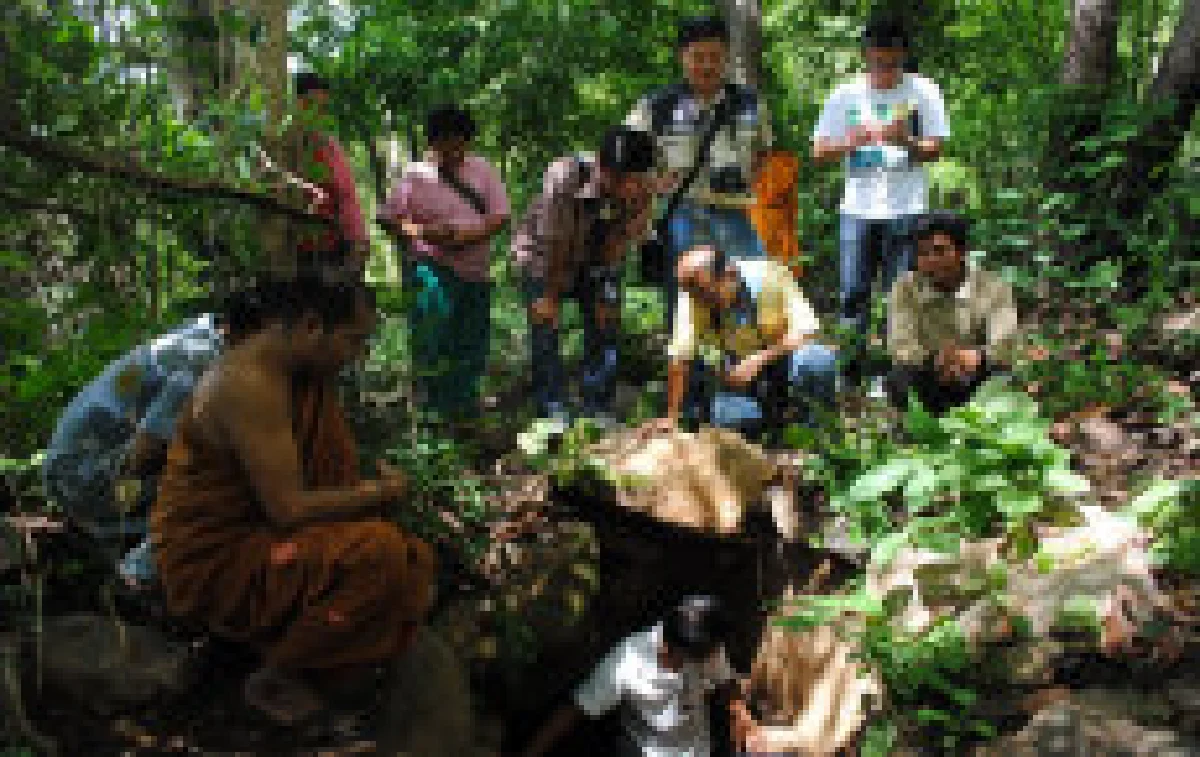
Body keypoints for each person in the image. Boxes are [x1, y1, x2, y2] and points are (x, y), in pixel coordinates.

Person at [150, 274, 436, 726]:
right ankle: (275, 675)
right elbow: (288, 509)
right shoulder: (247, 383)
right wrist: (379, 493)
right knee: (378, 554)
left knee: (411, 558)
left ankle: (305, 650)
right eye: (353, 341)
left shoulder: (299, 376)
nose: (357, 356)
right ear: (309, 327)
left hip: (268, 539)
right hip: (213, 559)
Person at [42, 286, 264, 583]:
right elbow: (144, 453)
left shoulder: (204, 334)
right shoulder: (204, 359)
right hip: (84, 479)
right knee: (230, 483)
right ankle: (140, 573)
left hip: (75, 470)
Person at [812, 15, 949, 391]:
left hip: (906, 209)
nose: (884, 72)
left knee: (899, 296)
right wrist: (850, 143)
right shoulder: (845, 94)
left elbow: (935, 149)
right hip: (857, 209)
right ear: (865, 57)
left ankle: (893, 378)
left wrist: (904, 140)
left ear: (903, 57)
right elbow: (820, 150)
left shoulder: (924, 91)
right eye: (876, 63)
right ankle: (849, 375)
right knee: (853, 295)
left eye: (891, 64)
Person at [625, 14, 774, 328]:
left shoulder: (748, 104)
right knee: (684, 302)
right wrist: (653, 184)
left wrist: (746, 182)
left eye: (715, 58)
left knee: (752, 290)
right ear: (683, 57)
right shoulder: (657, 107)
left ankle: (744, 370)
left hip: (736, 213)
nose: (707, 66)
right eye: (698, 58)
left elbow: (764, 154)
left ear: (727, 57)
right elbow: (625, 162)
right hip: (682, 214)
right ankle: (690, 374)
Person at [509, 125, 656, 424]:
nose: (627, 188)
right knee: (545, 327)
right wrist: (549, 296)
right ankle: (551, 410)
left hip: (595, 260)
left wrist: (605, 287)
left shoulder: (642, 189)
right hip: (543, 257)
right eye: (619, 178)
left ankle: (597, 406)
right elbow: (554, 242)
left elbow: (620, 242)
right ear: (601, 166)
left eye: (634, 180)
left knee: (606, 323)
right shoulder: (565, 176)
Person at [378, 104, 510, 423]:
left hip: (476, 272)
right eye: (445, 143)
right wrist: (424, 232)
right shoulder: (414, 175)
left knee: (471, 342)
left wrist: (470, 235)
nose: (453, 150)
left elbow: (501, 215)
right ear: (432, 143)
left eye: (460, 143)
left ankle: (463, 409)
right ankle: (432, 414)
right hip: (432, 267)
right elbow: (387, 218)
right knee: (433, 339)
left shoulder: (483, 170)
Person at [518, 595, 758, 757]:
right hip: (644, 750)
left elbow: (726, 681)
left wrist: (739, 711)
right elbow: (576, 708)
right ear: (677, 650)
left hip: (697, 748)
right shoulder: (626, 663)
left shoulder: (703, 638)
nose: (717, 654)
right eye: (711, 652)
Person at [642, 246, 836, 439]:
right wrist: (671, 416)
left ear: (729, 274)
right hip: (743, 379)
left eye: (709, 295)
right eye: (695, 295)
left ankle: (816, 434)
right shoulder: (694, 296)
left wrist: (758, 360)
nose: (701, 303)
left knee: (814, 359)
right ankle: (772, 427)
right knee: (724, 415)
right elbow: (680, 356)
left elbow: (808, 330)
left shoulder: (771, 276)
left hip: (784, 363)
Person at [886, 211, 1020, 414]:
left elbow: (1004, 345)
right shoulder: (905, 289)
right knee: (899, 379)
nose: (931, 260)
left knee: (1003, 378)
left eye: (940, 251)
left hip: (977, 372)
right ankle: (927, 427)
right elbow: (901, 345)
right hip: (929, 373)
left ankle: (983, 423)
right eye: (922, 253)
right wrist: (937, 361)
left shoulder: (994, 287)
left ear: (961, 252)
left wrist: (974, 358)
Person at [265, 72, 369, 274]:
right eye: (310, 105)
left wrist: (359, 240)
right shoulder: (278, 147)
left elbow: (347, 198)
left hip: (330, 250)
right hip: (292, 253)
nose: (316, 114)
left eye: (322, 108)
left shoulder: (330, 148)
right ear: (295, 104)